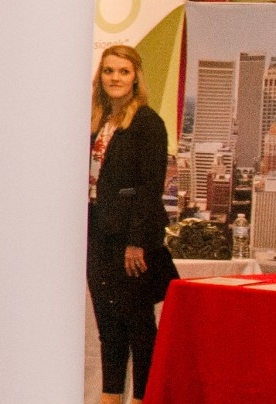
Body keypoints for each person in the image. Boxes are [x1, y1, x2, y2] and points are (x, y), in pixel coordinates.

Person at [85, 45, 179, 404]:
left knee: (138, 327)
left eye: (123, 71)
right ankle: (109, 398)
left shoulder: (147, 123)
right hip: (97, 234)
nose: (115, 78)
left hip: (131, 240)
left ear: (135, 77)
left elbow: (149, 188)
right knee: (108, 326)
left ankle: (143, 398)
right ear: (100, 77)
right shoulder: (95, 121)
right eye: (109, 71)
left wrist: (136, 242)